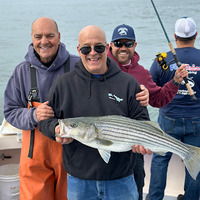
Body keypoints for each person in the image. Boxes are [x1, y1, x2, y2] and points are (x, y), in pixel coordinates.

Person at [38, 25, 152, 200]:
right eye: (86, 48)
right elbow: (46, 120)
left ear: (107, 48)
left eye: (98, 47)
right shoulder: (63, 84)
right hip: (78, 181)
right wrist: (55, 130)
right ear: (78, 50)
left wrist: (142, 143)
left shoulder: (129, 83)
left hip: (121, 179)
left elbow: (142, 119)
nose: (93, 53)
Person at [107, 24, 187, 200]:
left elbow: (158, 99)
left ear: (135, 45)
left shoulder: (141, 73)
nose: (123, 48)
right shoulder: (101, 67)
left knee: (136, 189)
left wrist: (174, 81)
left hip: (134, 144)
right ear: (110, 45)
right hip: (106, 139)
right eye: (119, 43)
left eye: (128, 44)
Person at [4, 17, 80, 200]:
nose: (44, 41)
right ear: (32, 38)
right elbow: (10, 111)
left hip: (72, 156)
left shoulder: (78, 66)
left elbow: (105, 74)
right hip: (34, 159)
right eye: (38, 36)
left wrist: (141, 91)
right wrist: (32, 114)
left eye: (50, 36)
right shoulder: (21, 71)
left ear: (59, 37)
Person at [147, 17, 200, 200]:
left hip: (168, 119)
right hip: (197, 121)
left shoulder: (162, 59)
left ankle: (154, 197)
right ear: (196, 35)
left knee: (160, 160)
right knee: (194, 161)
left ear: (175, 36)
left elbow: (151, 89)